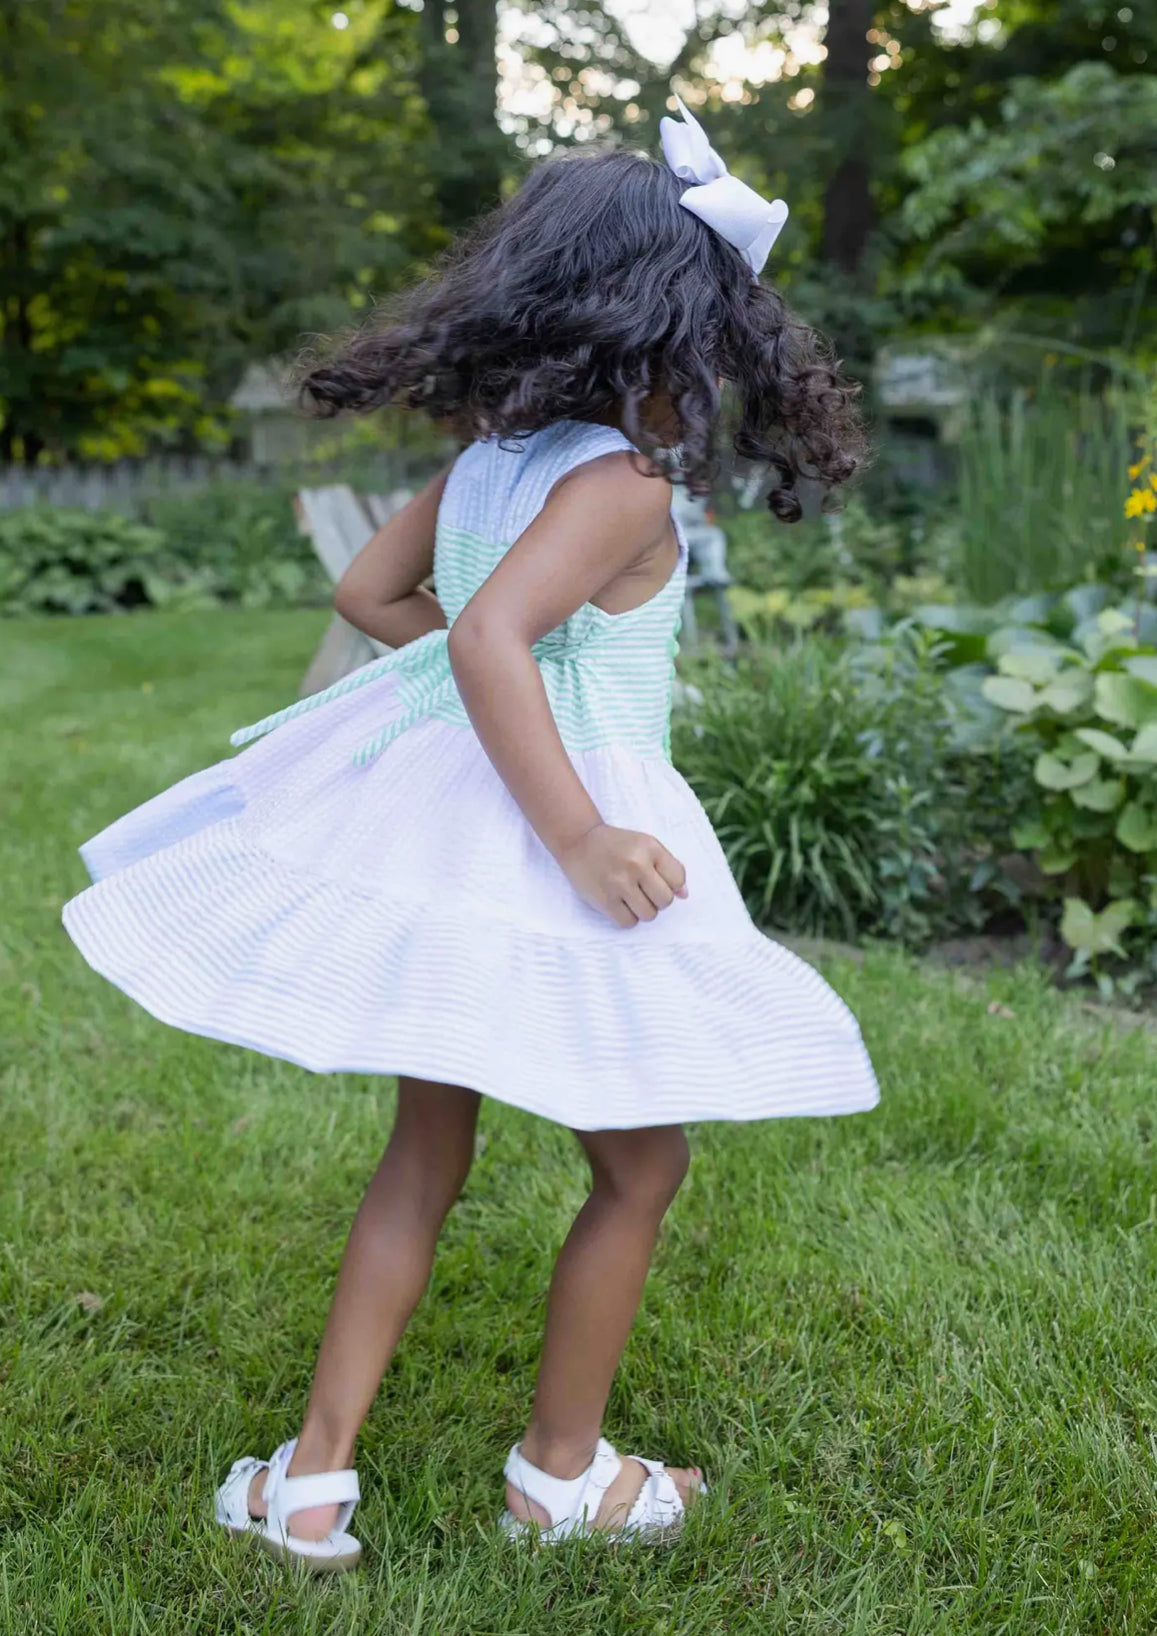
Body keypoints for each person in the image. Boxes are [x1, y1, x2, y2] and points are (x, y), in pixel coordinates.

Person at [61, 97, 879, 1571]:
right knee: (637, 1169)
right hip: (566, 835)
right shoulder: (624, 482)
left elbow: (374, 600)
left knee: (421, 1156)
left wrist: (491, 679)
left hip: (453, 825)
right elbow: (499, 634)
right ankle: (558, 1474)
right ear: (683, 322)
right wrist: (572, 830)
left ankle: (311, 1482)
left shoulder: (497, 461)